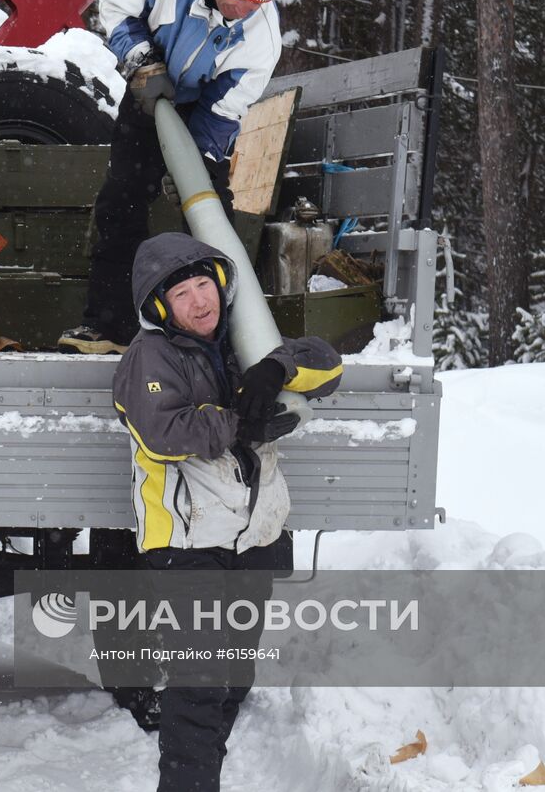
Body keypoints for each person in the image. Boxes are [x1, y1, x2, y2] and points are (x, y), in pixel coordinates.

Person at [111, 231, 342, 792]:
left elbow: (329, 367)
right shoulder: (151, 354)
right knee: (199, 686)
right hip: (187, 544)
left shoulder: (243, 339)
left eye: (204, 286)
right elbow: (164, 432)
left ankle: (200, 771)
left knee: (233, 677)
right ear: (161, 306)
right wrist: (242, 422)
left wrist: (276, 369)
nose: (199, 301)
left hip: (253, 540)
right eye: (183, 293)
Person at [58, 0, 286, 355]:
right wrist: (140, 59)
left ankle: (228, 340)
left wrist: (193, 161)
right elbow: (114, 6)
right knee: (120, 202)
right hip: (146, 93)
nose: (242, 11)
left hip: (202, 108)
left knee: (211, 217)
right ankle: (109, 327)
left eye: (257, 4)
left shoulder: (262, 39)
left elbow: (224, 109)